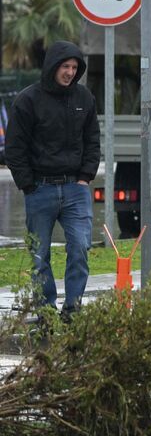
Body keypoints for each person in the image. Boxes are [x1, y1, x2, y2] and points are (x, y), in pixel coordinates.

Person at [5, 42, 100, 319]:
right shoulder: (27, 100)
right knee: (39, 255)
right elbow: (15, 147)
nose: (70, 72)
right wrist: (27, 184)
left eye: (74, 68)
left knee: (81, 247)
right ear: (53, 66)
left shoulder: (85, 98)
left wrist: (85, 177)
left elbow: (93, 140)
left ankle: (73, 309)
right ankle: (46, 311)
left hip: (76, 188)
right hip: (40, 188)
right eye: (65, 67)